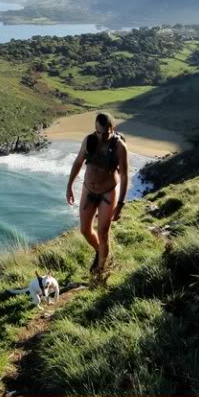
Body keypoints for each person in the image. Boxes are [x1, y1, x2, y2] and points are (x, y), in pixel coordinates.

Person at [66, 112, 129, 275]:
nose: (100, 136)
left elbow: (124, 176)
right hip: (88, 189)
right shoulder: (89, 140)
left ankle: (100, 270)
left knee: (103, 233)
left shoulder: (120, 147)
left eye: (104, 133)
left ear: (112, 128)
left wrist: (120, 205)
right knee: (85, 230)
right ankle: (99, 252)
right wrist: (69, 186)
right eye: (97, 132)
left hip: (108, 193)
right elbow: (78, 161)